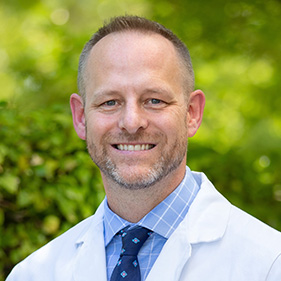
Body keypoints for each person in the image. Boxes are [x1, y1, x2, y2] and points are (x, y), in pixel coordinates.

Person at [6, 15, 281, 281]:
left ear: (192, 113)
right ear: (80, 118)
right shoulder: (34, 274)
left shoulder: (269, 263)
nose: (131, 122)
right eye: (110, 102)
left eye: (154, 100)